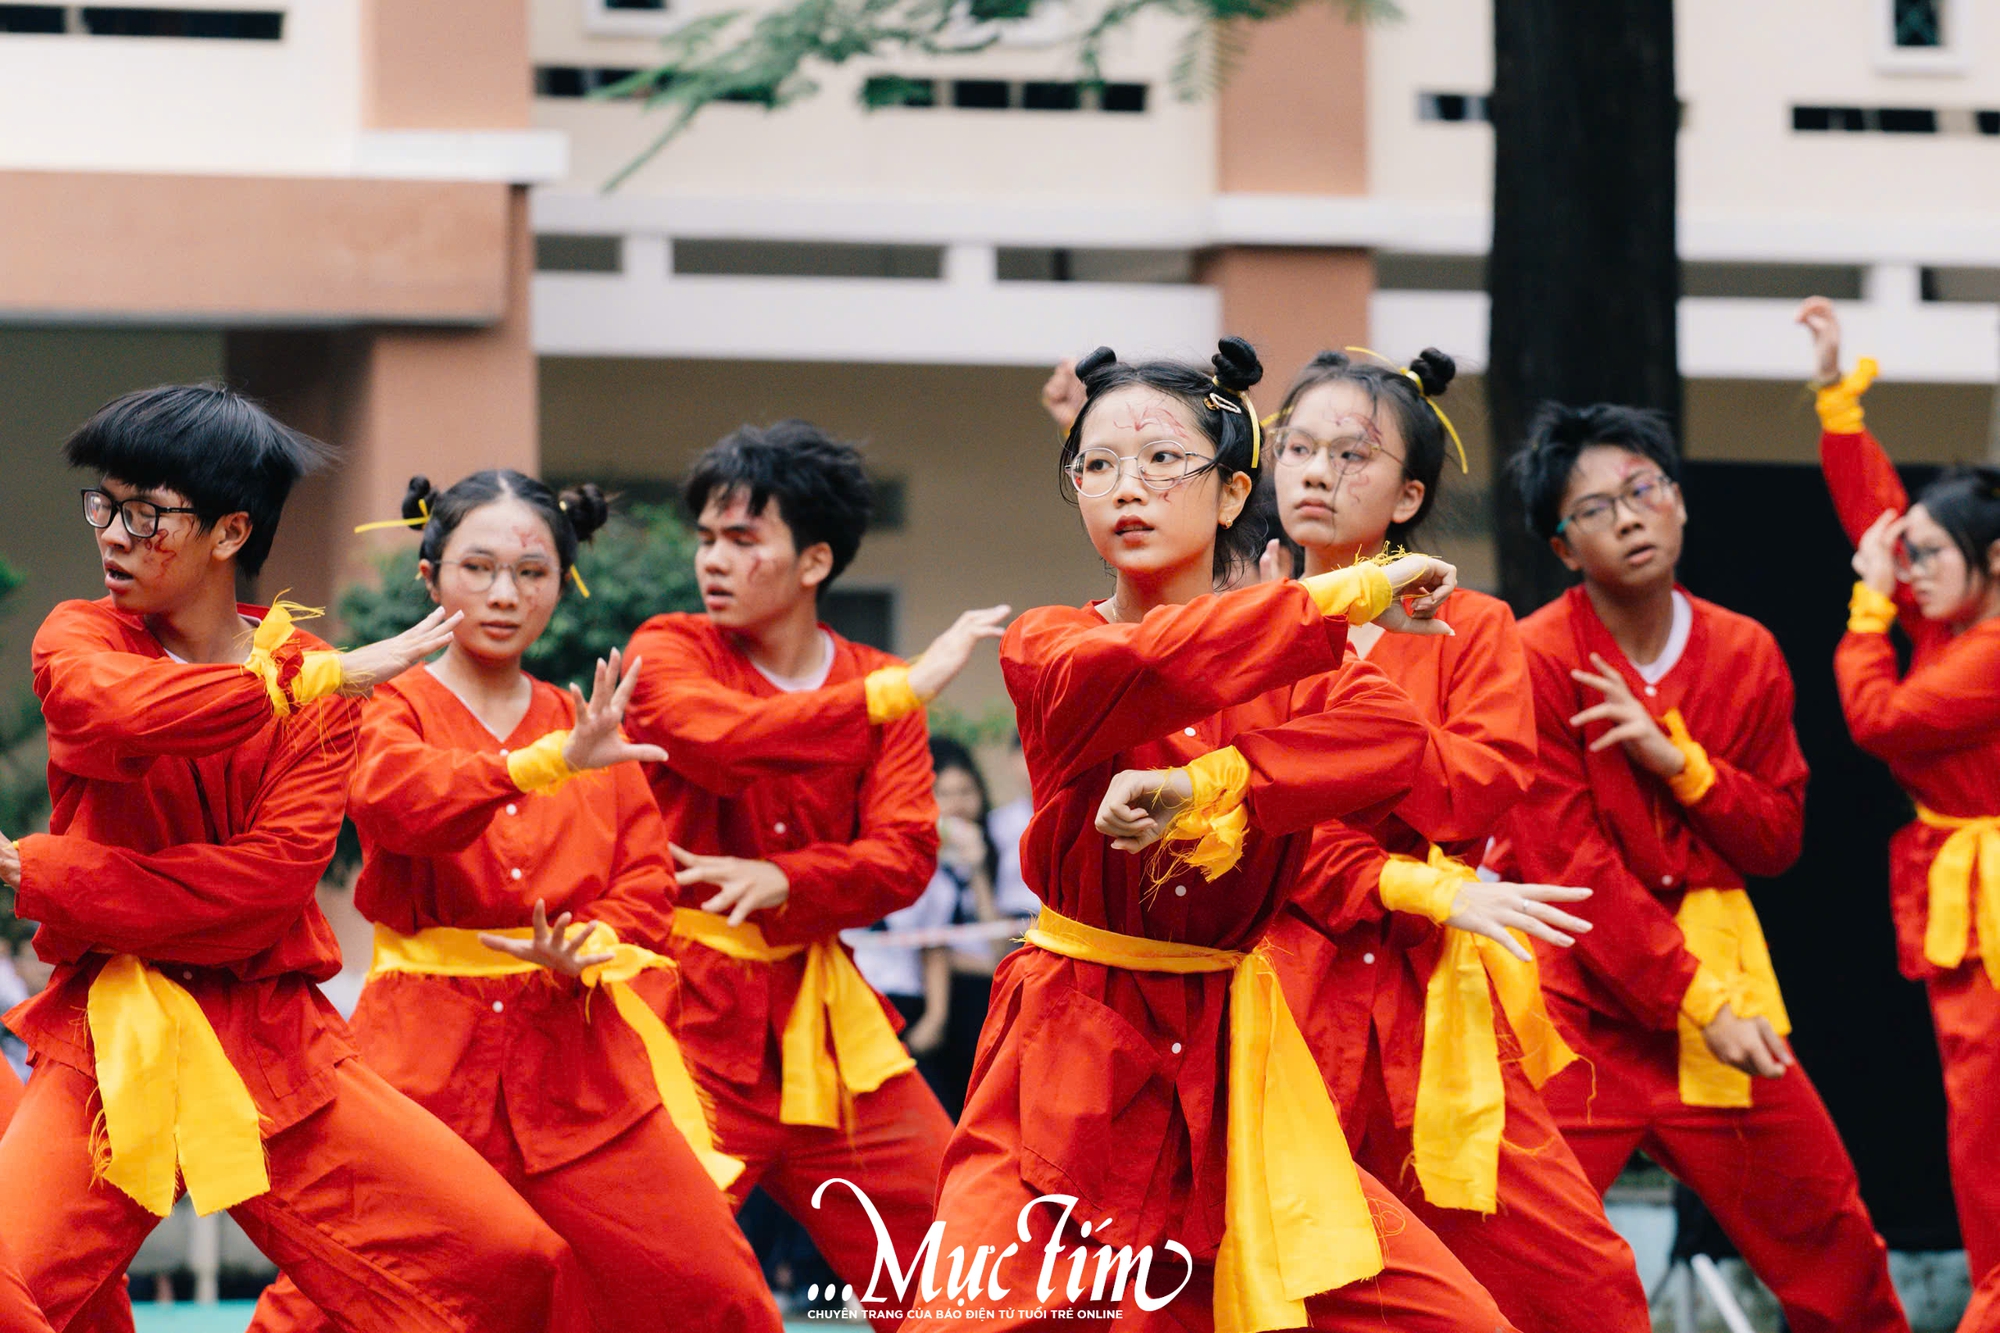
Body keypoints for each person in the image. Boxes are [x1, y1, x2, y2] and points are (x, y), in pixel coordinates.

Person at [908, 338, 1519, 1332]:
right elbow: (1146, 668)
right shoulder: (1049, 645)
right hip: (1072, 1052)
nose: (1126, 487)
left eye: (1161, 461)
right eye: (1096, 465)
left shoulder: (1288, 656)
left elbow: (1388, 735)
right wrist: (1332, 596)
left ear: (1234, 494)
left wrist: (1211, 783)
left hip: (1233, 1060)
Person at [0, 384, 596, 1332]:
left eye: (146, 513)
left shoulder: (323, 689)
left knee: (510, 1268)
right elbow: (114, 713)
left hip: (275, 1041)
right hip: (114, 1036)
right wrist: (310, 677)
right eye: (103, 505)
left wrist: (42, 872)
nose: (112, 533)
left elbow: (260, 894)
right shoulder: (82, 638)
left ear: (230, 530)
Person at [244, 470, 782, 1333]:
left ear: (561, 585)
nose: (504, 593)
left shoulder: (583, 718)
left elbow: (645, 877)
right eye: (478, 567)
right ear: (430, 577)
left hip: (578, 1058)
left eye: (531, 572)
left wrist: (592, 945)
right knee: (331, 1299)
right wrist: (545, 762)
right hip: (418, 1059)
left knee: (715, 1288)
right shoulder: (390, 707)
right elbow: (397, 802)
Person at [1254, 348, 1651, 1333]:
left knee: (1580, 1284)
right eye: (1296, 447)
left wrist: (1327, 714)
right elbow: (1258, 822)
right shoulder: (1245, 625)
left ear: (1406, 495)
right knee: (1295, 1269)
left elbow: (1470, 790)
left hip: (1436, 998)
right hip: (1285, 990)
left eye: (1351, 455)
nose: (1314, 471)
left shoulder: (1470, 625)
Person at [1492, 401, 1910, 1333]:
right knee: (1510, 1257)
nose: (1630, 517)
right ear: (1562, 547)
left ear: (1680, 500)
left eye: (1643, 490)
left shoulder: (1746, 651)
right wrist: (1701, 1002)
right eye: (1595, 509)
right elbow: (1572, 867)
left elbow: (1777, 838)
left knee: (1834, 1245)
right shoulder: (1535, 657)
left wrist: (1677, 761)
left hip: (1715, 996)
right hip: (1579, 1006)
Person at [621, 420, 1009, 1331]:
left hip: (826, 1027)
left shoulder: (878, 681)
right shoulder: (667, 649)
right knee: (667, 1284)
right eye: (707, 538)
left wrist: (786, 879)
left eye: (743, 540)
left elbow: (906, 855)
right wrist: (895, 696)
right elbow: (718, 741)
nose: (712, 560)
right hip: (684, 1018)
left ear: (814, 560)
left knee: (963, 1266)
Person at [1799, 297, 2000, 1300]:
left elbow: (1878, 716)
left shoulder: (1986, 653)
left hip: (1987, 894)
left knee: (1985, 1118)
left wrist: (1867, 602)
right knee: (1975, 1119)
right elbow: (1878, 519)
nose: (1905, 565)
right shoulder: (1958, 620)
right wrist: (1837, 396)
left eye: (1928, 555)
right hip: (1962, 883)